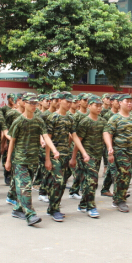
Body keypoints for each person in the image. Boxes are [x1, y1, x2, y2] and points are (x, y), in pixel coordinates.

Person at [5, 95, 60, 227]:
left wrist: (54, 150)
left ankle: (18, 210)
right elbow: (12, 141)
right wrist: (8, 160)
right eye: (31, 103)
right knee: (25, 188)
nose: (34, 106)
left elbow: (46, 136)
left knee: (26, 187)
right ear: (24, 104)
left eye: (36, 103)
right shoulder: (18, 121)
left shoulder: (38, 120)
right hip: (20, 160)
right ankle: (30, 215)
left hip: (33, 160)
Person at [71, 96, 107, 217]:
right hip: (86, 156)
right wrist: (74, 157)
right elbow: (78, 141)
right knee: (92, 180)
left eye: (100, 106)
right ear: (89, 106)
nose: (99, 108)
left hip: (98, 155)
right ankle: (91, 207)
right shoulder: (84, 122)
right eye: (96, 105)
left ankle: (82, 204)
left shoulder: (102, 121)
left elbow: (105, 137)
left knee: (90, 182)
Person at [45, 92, 76, 222]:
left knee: (61, 183)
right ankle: (54, 210)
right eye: (67, 101)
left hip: (65, 155)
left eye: (71, 102)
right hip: (54, 155)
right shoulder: (53, 117)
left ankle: (53, 207)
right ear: (60, 101)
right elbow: (48, 138)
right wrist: (47, 158)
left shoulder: (70, 118)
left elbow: (74, 137)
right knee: (58, 181)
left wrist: (80, 153)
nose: (69, 104)